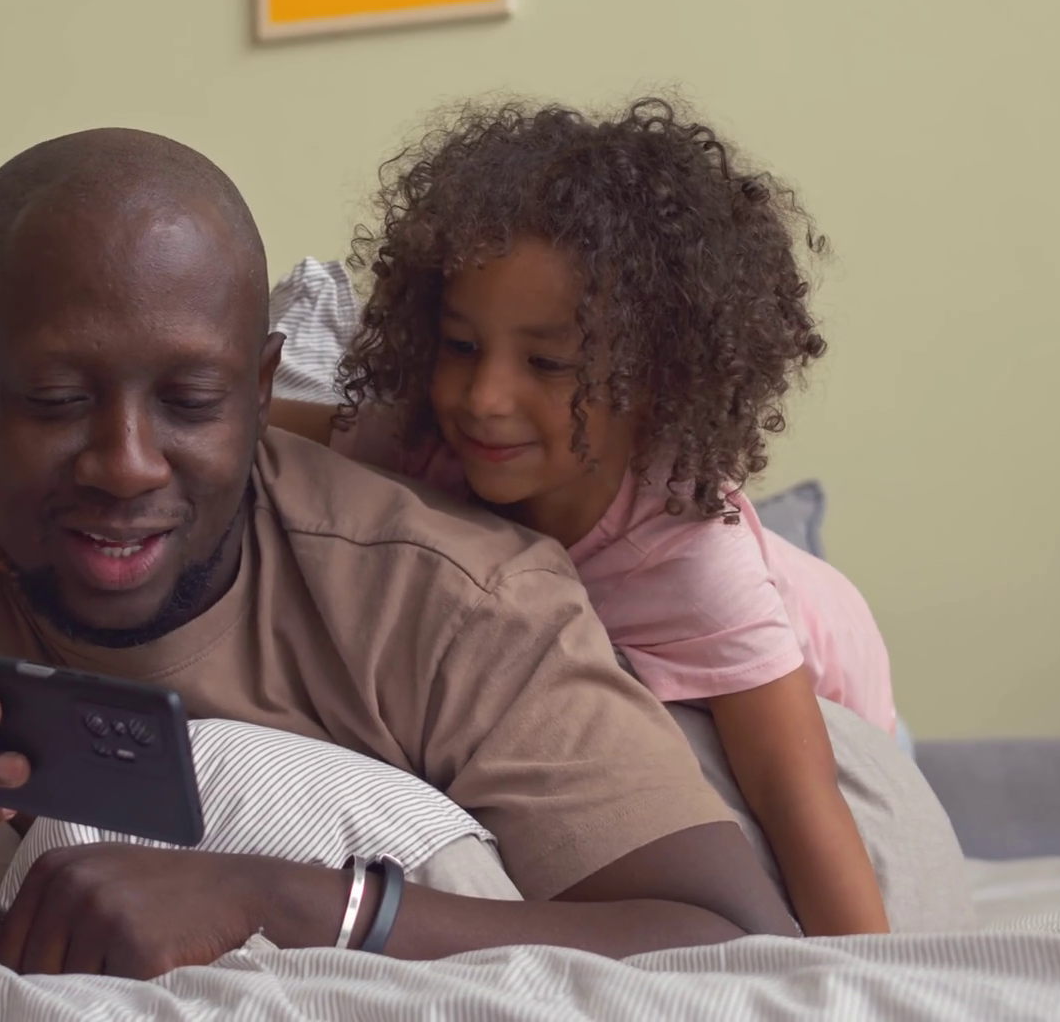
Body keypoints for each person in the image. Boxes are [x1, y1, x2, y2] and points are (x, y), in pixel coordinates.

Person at [0, 127, 798, 979]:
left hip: (725, 717)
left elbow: (741, 944)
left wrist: (278, 898)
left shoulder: (460, 595)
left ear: (263, 392)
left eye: (191, 401)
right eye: (55, 400)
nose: (126, 465)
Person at [267, 98, 894, 936]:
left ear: (657, 376)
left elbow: (796, 792)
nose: (485, 399)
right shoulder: (423, 444)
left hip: (838, 687)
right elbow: (243, 429)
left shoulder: (693, 559)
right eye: (460, 346)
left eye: (549, 362)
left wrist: (868, 980)